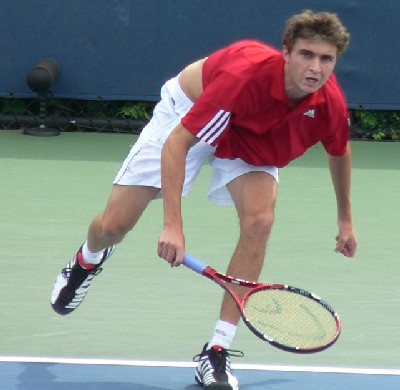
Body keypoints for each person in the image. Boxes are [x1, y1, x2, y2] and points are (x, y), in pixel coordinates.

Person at [51, 9, 357, 390]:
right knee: (114, 226)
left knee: (260, 222)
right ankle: (86, 260)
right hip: (190, 113)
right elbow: (177, 145)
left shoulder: (329, 103)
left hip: (249, 139)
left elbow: (339, 153)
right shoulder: (244, 78)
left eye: (326, 59)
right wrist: (172, 226)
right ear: (286, 53)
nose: (315, 67)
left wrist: (345, 220)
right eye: (306, 55)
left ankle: (216, 351)